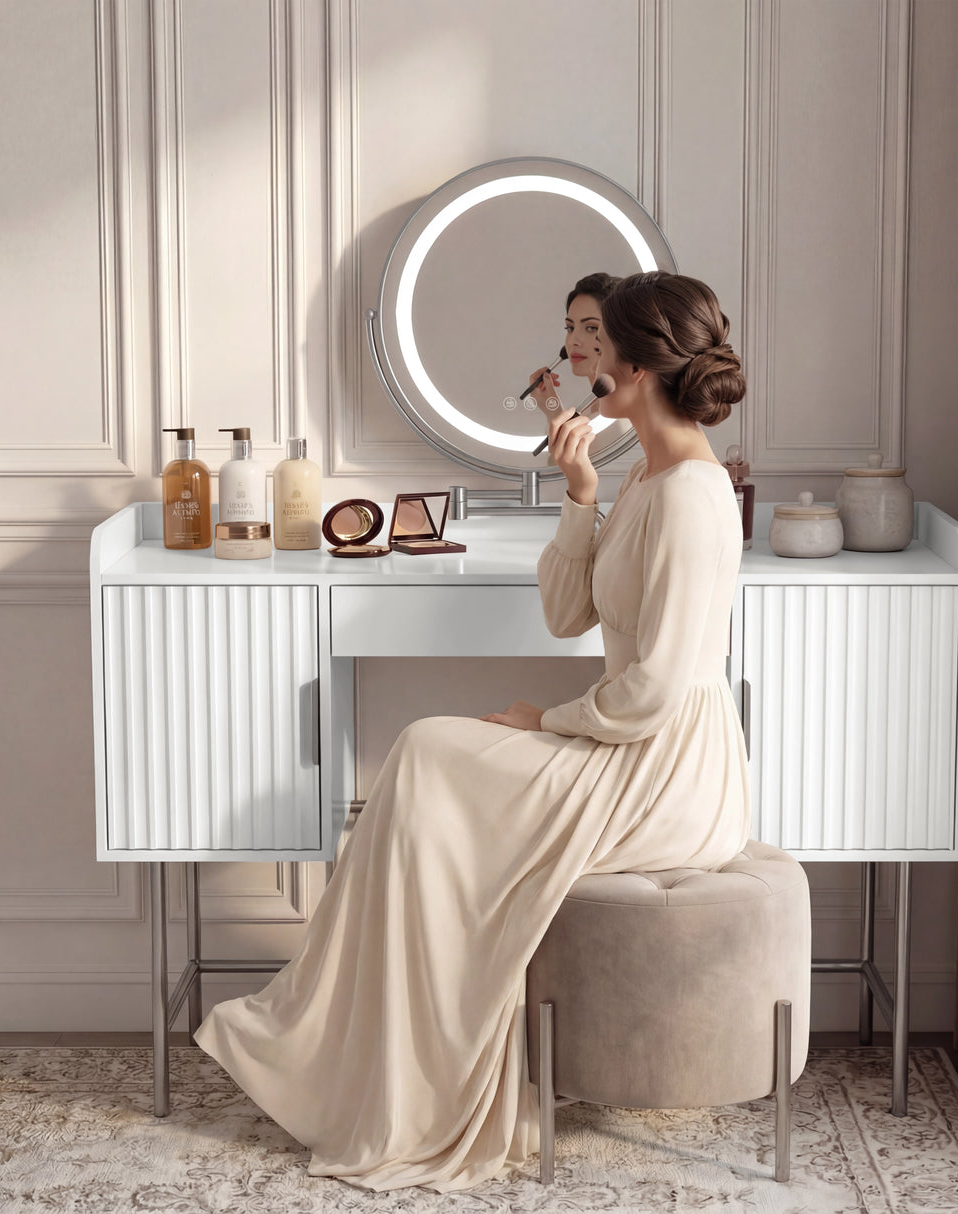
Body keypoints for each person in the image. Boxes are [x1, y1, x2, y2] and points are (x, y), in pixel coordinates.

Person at [193, 270, 752, 1194]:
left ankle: (383, 1064)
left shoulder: (693, 495)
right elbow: (570, 614)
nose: (587, 362)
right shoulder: (650, 478)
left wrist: (551, 720)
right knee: (425, 763)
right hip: (623, 744)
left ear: (641, 369)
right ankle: (369, 1054)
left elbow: (654, 691)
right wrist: (578, 492)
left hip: (667, 771)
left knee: (422, 755)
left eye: (600, 346)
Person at [526, 271, 621, 413]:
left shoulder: (619, 414)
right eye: (570, 328)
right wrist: (553, 411)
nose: (573, 341)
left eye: (590, 328)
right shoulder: (596, 411)